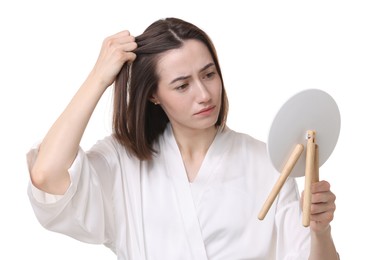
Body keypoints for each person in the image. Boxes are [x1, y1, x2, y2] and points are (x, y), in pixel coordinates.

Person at [27, 17, 339, 259]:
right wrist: (99, 78)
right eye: (182, 85)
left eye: (209, 74)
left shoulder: (268, 163)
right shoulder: (122, 162)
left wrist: (320, 231)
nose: (204, 95)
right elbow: (46, 175)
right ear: (153, 95)